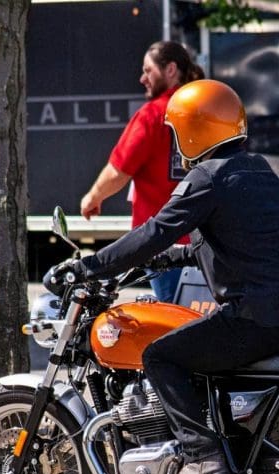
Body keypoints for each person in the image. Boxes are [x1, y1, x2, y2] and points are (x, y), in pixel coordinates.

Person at [46, 80, 279, 474]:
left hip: (258, 318)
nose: (176, 145)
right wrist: (167, 261)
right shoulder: (258, 169)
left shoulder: (207, 177)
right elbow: (236, 244)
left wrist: (87, 267)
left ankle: (202, 456)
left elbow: (153, 231)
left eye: (176, 133)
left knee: (161, 355)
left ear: (195, 130)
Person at [79, 40, 203, 303]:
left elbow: (118, 171)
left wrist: (93, 198)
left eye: (148, 71)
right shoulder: (202, 110)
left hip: (163, 243)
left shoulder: (153, 115)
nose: (142, 78)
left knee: (174, 319)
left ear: (170, 70)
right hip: (204, 242)